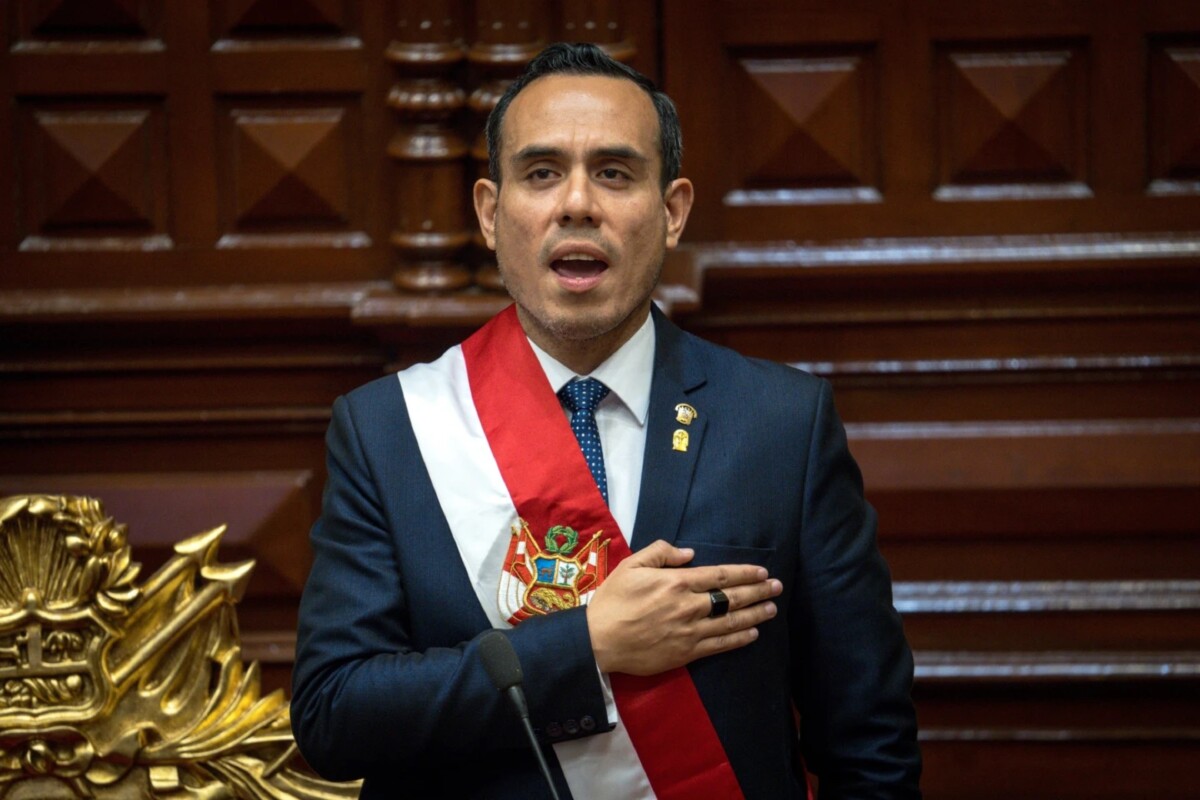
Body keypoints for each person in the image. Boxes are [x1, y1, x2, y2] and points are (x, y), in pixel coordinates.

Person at [291, 42, 921, 799]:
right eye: (542, 172)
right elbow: (334, 715)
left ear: (672, 211)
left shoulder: (781, 423)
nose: (578, 203)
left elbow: (869, 746)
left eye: (615, 173)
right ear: (491, 214)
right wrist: (585, 645)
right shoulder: (389, 431)